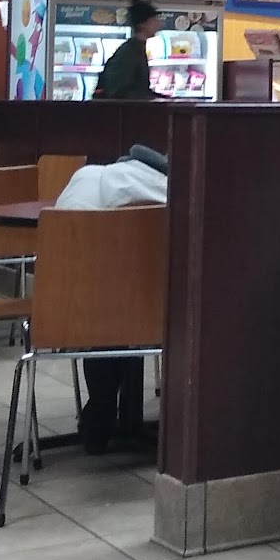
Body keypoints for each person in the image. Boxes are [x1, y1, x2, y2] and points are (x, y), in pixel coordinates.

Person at [53, 145, 169, 453]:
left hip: (65, 308)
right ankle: (116, 418)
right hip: (153, 311)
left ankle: (99, 416)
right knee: (125, 308)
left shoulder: (85, 177)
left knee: (109, 312)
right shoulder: (168, 195)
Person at [94, 0, 162, 100]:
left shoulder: (135, 48)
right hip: (122, 109)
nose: (159, 24)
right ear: (143, 24)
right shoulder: (130, 52)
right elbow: (119, 91)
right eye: (154, 20)